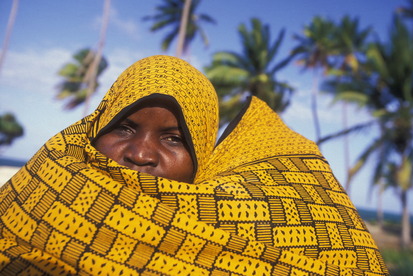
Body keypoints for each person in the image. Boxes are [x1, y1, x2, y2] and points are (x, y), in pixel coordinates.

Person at [0, 55, 389, 275]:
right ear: (94, 131)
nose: (140, 153)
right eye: (124, 127)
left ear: (202, 160)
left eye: (174, 139)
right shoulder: (31, 199)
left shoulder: (222, 242)